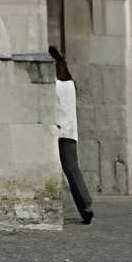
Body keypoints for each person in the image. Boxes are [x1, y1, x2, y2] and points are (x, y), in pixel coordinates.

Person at [49, 47, 93, 224]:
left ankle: (86, 205)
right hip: (68, 131)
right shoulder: (69, 84)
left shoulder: (57, 85)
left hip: (61, 131)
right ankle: (85, 206)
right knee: (72, 169)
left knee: (71, 169)